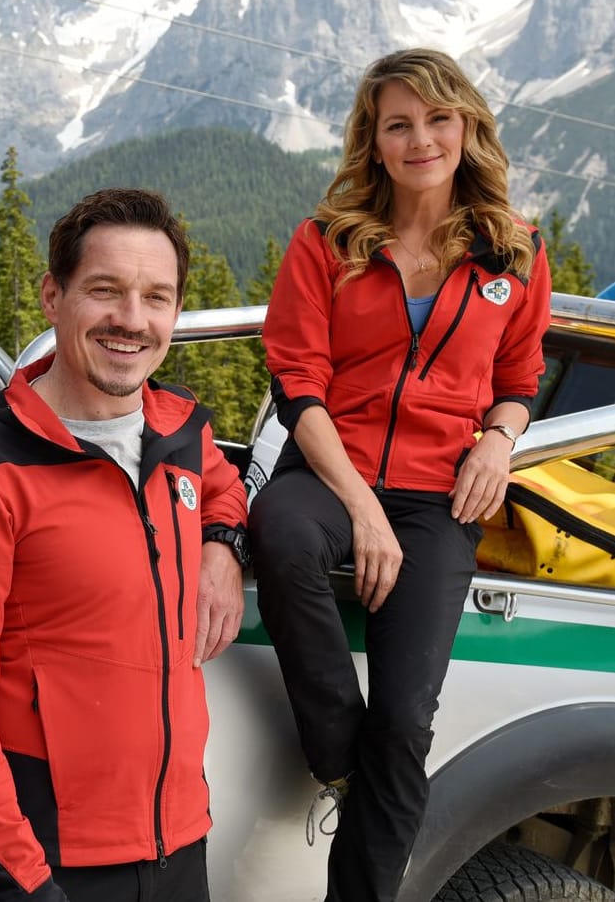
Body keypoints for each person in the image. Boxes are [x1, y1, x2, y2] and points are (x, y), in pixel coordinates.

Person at [251, 48, 551, 902]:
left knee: (407, 720)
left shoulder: (514, 251)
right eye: (397, 124)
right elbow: (297, 384)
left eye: (436, 119)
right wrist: (360, 508)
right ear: (372, 142)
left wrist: (497, 440)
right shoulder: (325, 242)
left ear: (465, 128)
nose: (419, 138)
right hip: (330, 467)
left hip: (438, 492)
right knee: (278, 530)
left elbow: (520, 379)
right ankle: (334, 748)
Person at [0, 187, 250, 902]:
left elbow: (224, 489)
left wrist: (221, 544)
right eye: (105, 290)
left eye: (156, 296)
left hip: (179, 842)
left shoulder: (181, 435)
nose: (132, 319)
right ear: (51, 297)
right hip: (49, 860)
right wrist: (22, 882)